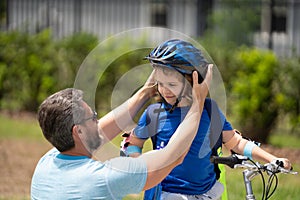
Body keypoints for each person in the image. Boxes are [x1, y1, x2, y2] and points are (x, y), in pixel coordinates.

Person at [120, 39, 292, 200]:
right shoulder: (154, 114)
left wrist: (271, 159)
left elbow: (235, 142)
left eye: (172, 84)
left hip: (205, 193)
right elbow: (133, 142)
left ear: (192, 80)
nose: (164, 90)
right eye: (160, 83)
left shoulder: (209, 111)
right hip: (168, 193)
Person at [30, 64, 213, 200]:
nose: (98, 121)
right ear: (78, 131)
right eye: (93, 117)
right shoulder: (106, 177)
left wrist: (145, 92)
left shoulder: (46, 163)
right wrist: (198, 103)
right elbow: (174, 155)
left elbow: (102, 130)